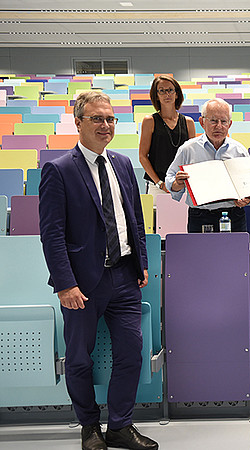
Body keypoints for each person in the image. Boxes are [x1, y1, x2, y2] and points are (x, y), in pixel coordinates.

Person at [39, 91, 158, 450]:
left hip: (123, 276)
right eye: (96, 119)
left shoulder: (123, 164)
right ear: (78, 122)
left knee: (131, 352)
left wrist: (142, 263)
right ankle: (89, 426)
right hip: (81, 284)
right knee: (78, 357)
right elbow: (52, 234)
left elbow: (135, 219)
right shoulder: (58, 170)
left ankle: (121, 425)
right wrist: (65, 285)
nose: (105, 125)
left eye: (110, 119)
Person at [165, 98, 250, 232]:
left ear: (229, 124)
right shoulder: (188, 149)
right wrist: (178, 183)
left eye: (223, 121)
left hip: (234, 215)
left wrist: (247, 199)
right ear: (202, 122)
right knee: (199, 253)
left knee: (234, 253)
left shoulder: (239, 150)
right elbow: (170, 180)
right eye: (213, 121)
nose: (219, 126)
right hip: (200, 216)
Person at [139, 75, 196, 203]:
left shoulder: (188, 122)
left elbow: (193, 156)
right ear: (157, 95)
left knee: (184, 222)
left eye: (170, 90)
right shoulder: (150, 121)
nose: (167, 94)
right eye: (162, 90)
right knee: (157, 222)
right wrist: (160, 183)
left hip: (183, 185)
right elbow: (143, 156)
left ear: (177, 94)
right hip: (157, 185)